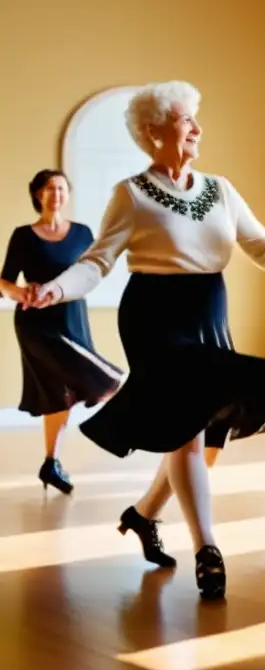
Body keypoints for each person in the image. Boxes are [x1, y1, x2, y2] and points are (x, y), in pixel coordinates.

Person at [24, 80, 265, 599]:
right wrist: (55, 289)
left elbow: (263, 247)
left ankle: (142, 514)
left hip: (208, 309)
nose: (197, 128)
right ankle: (208, 549)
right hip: (154, 318)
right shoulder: (131, 193)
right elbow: (97, 262)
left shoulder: (220, 189)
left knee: (205, 434)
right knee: (187, 430)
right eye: (186, 119)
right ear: (154, 130)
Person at [0, 169, 123, 494]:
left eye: (62, 188)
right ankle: (112, 407)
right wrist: (22, 293)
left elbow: (94, 271)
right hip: (36, 324)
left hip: (73, 316)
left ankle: (50, 463)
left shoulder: (82, 233)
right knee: (104, 379)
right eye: (50, 188)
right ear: (38, 194)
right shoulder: (24, 235)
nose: (57, 194)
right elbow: (4, 281)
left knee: (60, 395)